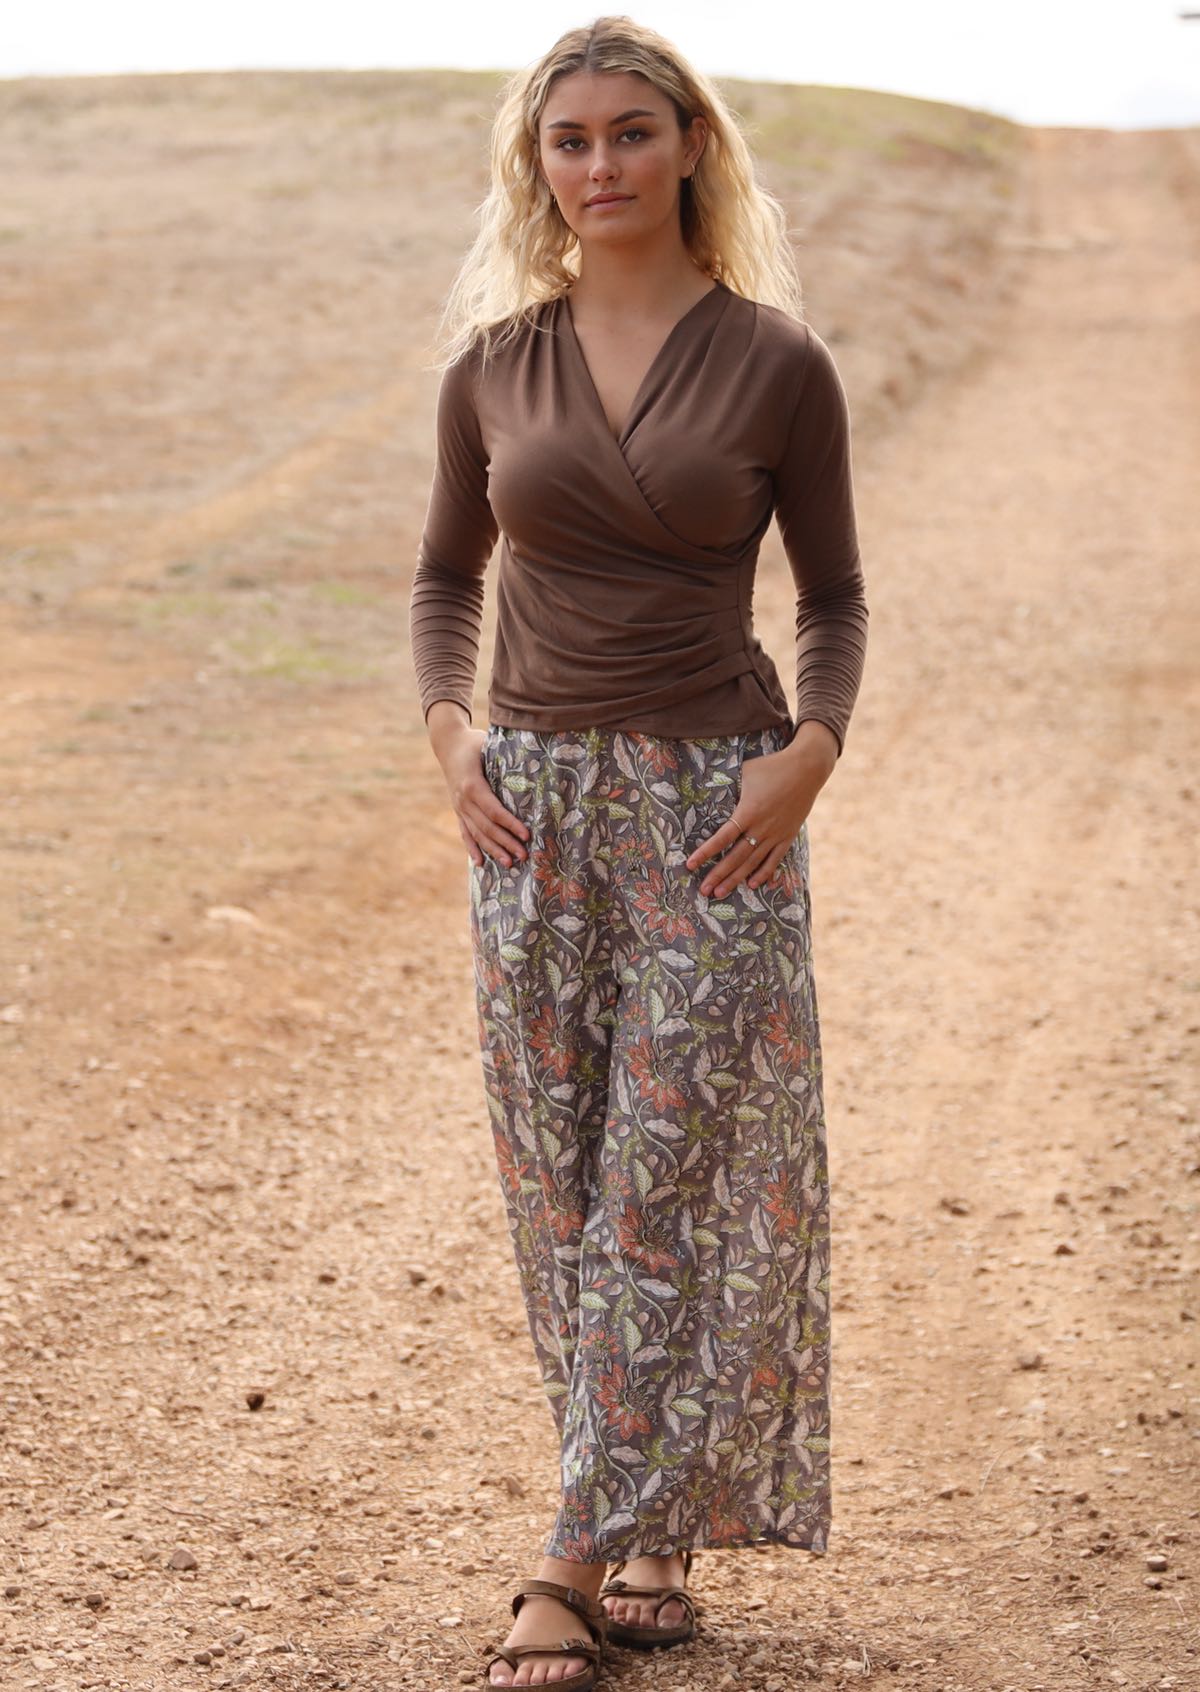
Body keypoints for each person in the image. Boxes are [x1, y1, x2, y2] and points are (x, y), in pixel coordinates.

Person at [408, 15, 868, 1689]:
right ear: (539, 166)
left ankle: (571, 1555)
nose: (597, 167)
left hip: (713, 812)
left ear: (690, 148)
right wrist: (451, 736)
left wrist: (809, 758)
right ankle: (655, 1512)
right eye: (568, 140)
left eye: (628, 134)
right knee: (570, 1182)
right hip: (531, 816)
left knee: (669, 1174)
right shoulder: (493, 364)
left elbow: (832, 596)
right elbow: (444, 580)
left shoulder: (774, 362)